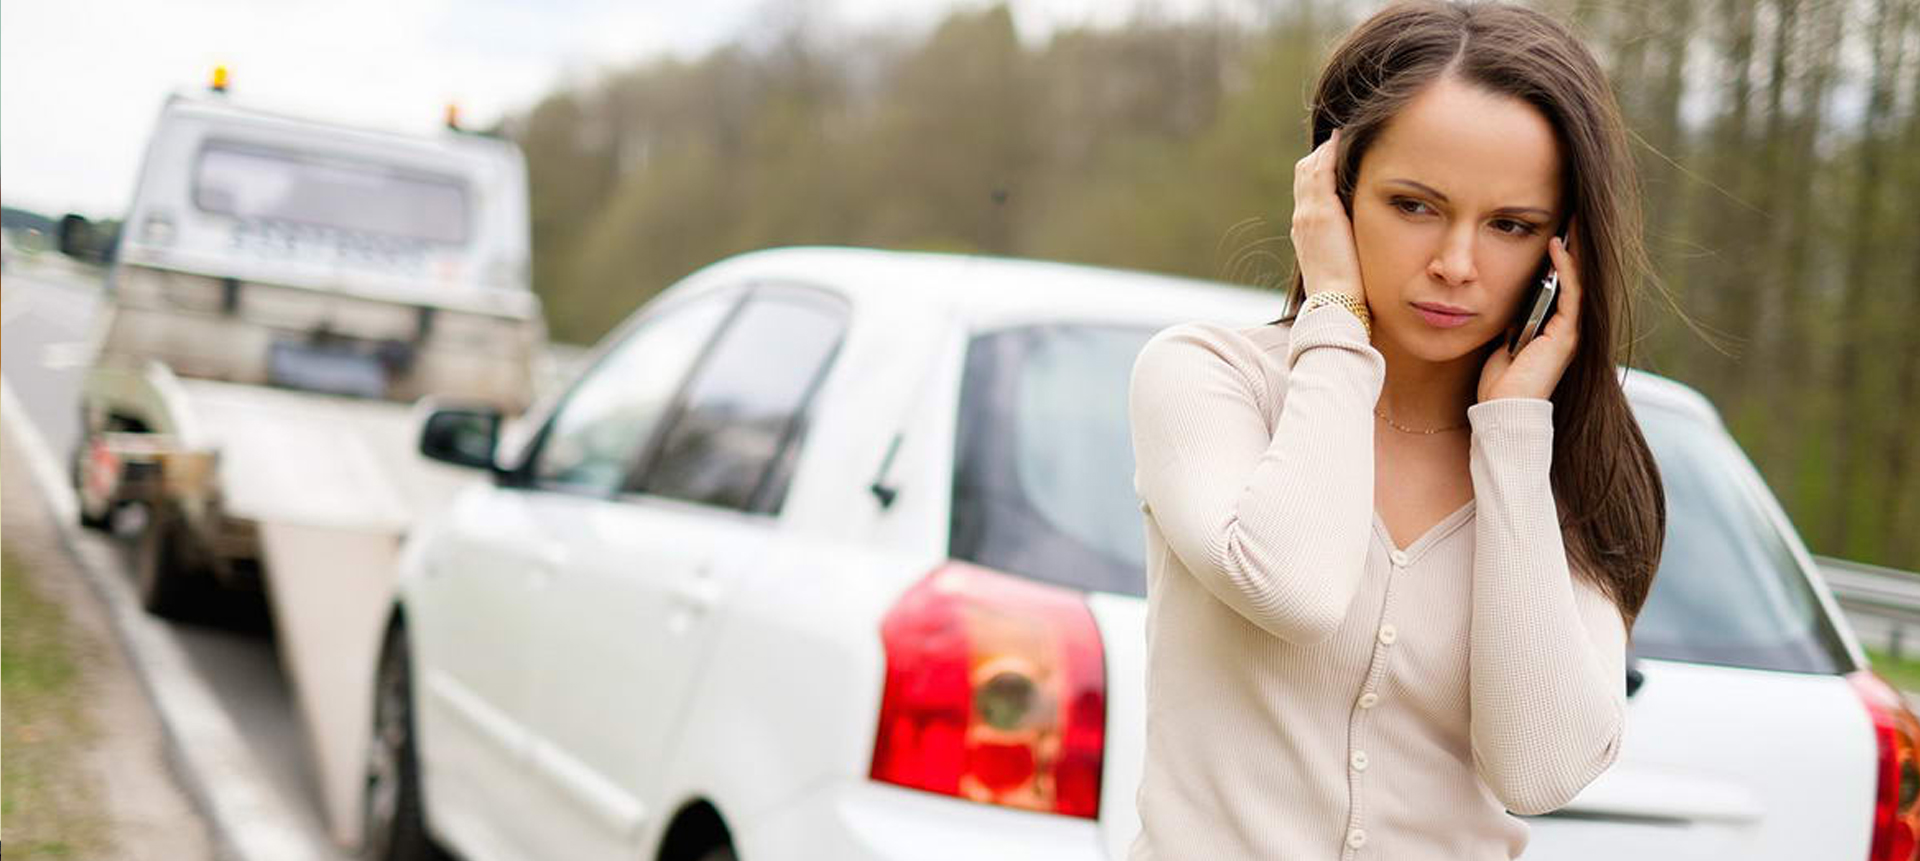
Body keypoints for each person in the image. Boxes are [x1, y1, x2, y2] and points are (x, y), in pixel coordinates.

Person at [1124, 2, 1667, 859]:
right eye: (1415, 205)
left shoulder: (1572, 467)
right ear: (1331, 194)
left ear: (1563, 246)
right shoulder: (1209, 379)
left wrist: (1514, 434)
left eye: (1511, 225)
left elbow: (1538, 771)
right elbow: (1294, 588)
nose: (1456, 264)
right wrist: (1336, 313)